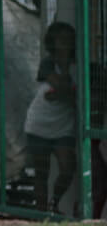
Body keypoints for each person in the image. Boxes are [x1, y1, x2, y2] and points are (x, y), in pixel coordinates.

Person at [23, 22, 76, 213]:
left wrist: (64, 93)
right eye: (61, 40)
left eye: (69, 40)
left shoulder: (79, 63)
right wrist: (68, 93)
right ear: (53, 42)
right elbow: (62, 88)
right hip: (40, 122)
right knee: (41, 173)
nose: (65, 44)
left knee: (68, 167)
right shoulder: (48, 63)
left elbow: (64, 91)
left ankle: (54, 203)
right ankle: (41, 215)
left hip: (63, 125)